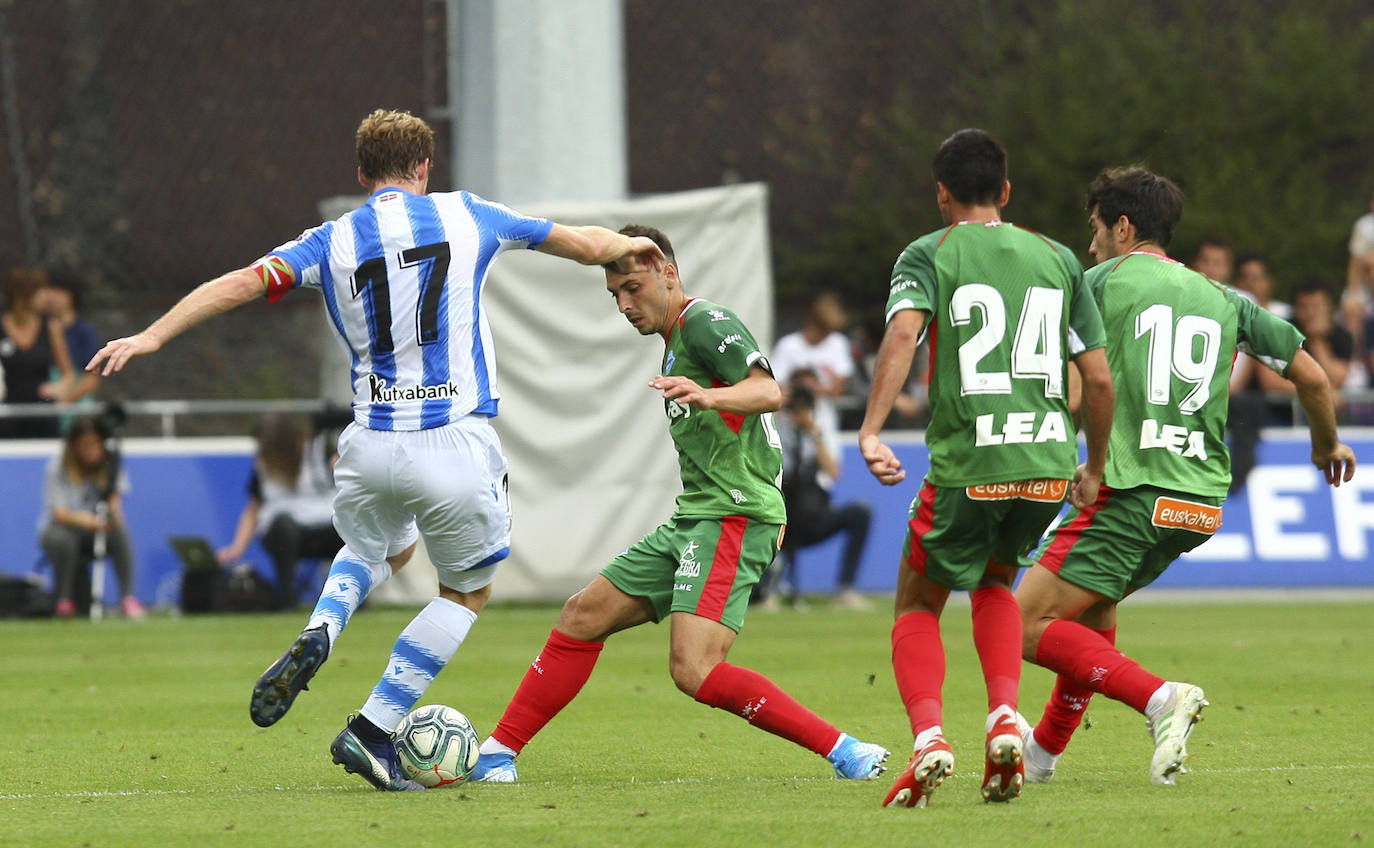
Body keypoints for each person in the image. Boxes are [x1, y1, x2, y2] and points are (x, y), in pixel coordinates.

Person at [87, 108, 666, 791]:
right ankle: (372, 727)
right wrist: (633, 249)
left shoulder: (329, 240)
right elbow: (588, 245)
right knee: (467, 591)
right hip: (452, 439)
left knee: (382, 549)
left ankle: (325, 626)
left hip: (368, 447)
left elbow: (241, 281)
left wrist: (152, 336)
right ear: (424, 167)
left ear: (362, 175)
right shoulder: (467, 214)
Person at [469, 224, 890, 785]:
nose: (624, 305)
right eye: (615, 294)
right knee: (582, 616)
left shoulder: (704, 321)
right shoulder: (675, 343)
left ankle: (848, 751)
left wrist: (710, 395)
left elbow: (769, 390)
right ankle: (497, 754)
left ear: (668, 272)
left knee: (694, 668)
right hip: (697, 517)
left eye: (633, 288)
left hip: (734, 515)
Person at [1014, 166, 1357, 788]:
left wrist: (1065, 460)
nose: (1090, 244)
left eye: (1095, 228)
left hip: (1132, 489)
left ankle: (1160, 699)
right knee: (1090, 612)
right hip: (1196, 505)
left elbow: (1074, 389)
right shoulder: (1224, 298)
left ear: (1122, 227)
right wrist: (1326, 444)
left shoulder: (1098, 284)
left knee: (1021, 625)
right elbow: (1312, 377)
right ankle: (1042, 753)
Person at [858, 128, 1114, 808]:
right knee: (996, 581)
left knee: (918, 603)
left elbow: (904, 333)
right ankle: (1004, 718)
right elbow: (1097, 377)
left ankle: (929, 740)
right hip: (1046, 466)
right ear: (1005, 190)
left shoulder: (929, 252)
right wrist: (1092, 465)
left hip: (970, 462)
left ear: (941, 192)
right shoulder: (1058, 257)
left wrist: (873, 428)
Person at [217, 413, 343, 610]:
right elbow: (253, 508)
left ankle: (351, 595)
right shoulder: (263, 465)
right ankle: (286, 599)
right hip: (285, 535)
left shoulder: (320, 451)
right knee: (284, 526)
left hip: (328, 528)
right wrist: (237, 548)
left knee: (349, 524)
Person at [776, 382, 873, 609]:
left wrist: (813, 432)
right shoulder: (776, 431)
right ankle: (764, 593)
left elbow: (833, 471)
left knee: (860, 512)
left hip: (812, 515)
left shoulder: (817, 434)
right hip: (781, 516)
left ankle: (846, 590)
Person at [38, 416, 144, 619]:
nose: (90, 451)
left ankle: (128, 598)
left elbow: (115, 508)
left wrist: (111, 516)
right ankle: (64, 600)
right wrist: (88, 521)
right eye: (85, 445)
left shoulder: (110, 466)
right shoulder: (57, 466)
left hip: (96, 530)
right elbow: (60, 514)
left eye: (95, 444)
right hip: (61, 530)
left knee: (120, 533)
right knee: (64, 540)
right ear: (74, 446)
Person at [771, 291, 854, 452]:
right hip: (790, 418)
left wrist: (812, 387)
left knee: (827, 462)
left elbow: (839, 388)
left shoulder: (838, 343)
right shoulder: (788, 346)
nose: (825, 335)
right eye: (822, 329)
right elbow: (775, 387)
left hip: (824, 418)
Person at [0, 267, 73, 438]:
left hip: (42, 414)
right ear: (23, 295)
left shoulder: (51, 327)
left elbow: (68, 374)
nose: (46, 296)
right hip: (7, 414)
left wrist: (57, 388)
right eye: (41, 291)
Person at [40, 272, 103, 405]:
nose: (52, 296)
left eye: (58, 291)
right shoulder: (38, 329)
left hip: (75, 400)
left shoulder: (84, 332)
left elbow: (91, 379)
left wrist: (66, 402)